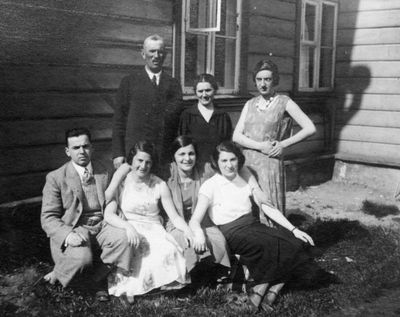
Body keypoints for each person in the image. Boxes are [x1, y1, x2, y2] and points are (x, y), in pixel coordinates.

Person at [190, 141, 316, 312]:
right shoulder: (210, 185)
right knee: (269, 245)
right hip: (232, 231)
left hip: (252, 225)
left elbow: (266, 206)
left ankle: (273, 291)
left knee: (295, 241)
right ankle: (258, 294)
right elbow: (195, 219)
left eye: (233, 160)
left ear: (239, 160)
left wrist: (294, 229)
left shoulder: (244, 178)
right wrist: (197, 233)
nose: (229, 165)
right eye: (224, 161)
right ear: (216, 163)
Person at [41, 128, 132, 301]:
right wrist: (68, 235)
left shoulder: (104, 171)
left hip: (103, 223)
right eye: (76, 148)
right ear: (67, 151)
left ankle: (95, 279)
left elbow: (114, 198)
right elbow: (48, 218)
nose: (81, 151)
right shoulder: (56, 177)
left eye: (85, 146)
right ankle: (64, 274)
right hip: (76, 228)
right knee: (82, 258)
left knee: (124, 239)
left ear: (92, 148)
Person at [104, 140, 194, 304]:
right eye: (140, 160)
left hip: (154, 228)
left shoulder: (159, 184)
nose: (143, 166)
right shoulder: (122, 182)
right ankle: (132, 290)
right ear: (132, 160)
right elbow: (109, 214)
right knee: (139, 253)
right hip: (129, 226)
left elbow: (174, 216)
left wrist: (187, 230)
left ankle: (156, 290)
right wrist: (127, 226)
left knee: (168, 250)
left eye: (148, 162)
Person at [233, 60, 316, 218]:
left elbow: (310, 128)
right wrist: (259, 146)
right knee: (248, 207)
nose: (263, 84)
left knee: (269, 205)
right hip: (248, 163)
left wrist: (283, 144)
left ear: (274, 80)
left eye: (267, 79)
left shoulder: (284, 102)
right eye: (259, 80)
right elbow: (236, 136)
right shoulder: (250, 104)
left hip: (270, 162)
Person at [112, 34, 183, 169]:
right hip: (136, 154)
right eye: (152, 51)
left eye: (160, 52)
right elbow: (119, 120)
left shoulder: (173, 84)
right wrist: (118, 153)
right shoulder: (129, 82)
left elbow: (177, 123)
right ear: (143, 54)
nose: (156, 56)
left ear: (165, 55)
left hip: (163, 155)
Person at [165, 136, 230, 282]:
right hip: (175, 219)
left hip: (201, 218)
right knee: (184, 240)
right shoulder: (166, 173)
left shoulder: (205, 170)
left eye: (191, 154)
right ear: (174, 156)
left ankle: (213, 273)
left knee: (216, 239)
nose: (187, 159)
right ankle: (191, 277)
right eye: (181, 154)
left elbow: (229, 167)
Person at [178, 73, 232, 164]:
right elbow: (182, 145)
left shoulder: (223, 116)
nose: (204, 95)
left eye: (208, 90)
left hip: (218, 166)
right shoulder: (187, 115)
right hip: (194, 166)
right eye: (200, 91)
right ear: (195, 92)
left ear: (214, 90)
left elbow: (227, 144)